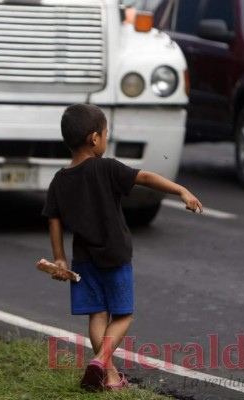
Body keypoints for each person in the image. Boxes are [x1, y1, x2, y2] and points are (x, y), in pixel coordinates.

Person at [42, 103, 203, 391]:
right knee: (123, 315)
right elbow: (145, 178)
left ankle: (110, 375)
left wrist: (59, 259)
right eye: (106, 134)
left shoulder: (59, 180)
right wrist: (181, 189)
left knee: (97, 313)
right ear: (94, 138)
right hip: (115, 255)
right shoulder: (107, 168)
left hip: (83, 258)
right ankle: (102, 360)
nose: (106, 138)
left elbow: (54, 220)